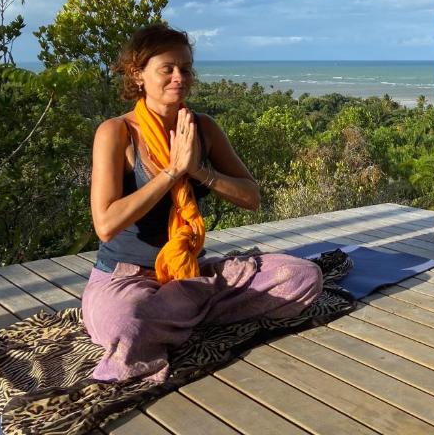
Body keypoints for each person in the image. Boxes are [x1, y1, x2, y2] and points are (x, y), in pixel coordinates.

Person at [81, 23, 322, 382]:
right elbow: (105, 223)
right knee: (128, 325)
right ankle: (187, 315)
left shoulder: (202, 128)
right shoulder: (116, 133)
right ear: (138, 74)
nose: (180, 77)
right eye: (168, 68)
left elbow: (251, 197)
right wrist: (171, 173)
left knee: (303, 276)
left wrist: (198, 170)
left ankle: (178, 316)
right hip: (126, 279)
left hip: (191, 274)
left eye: (186, 68)